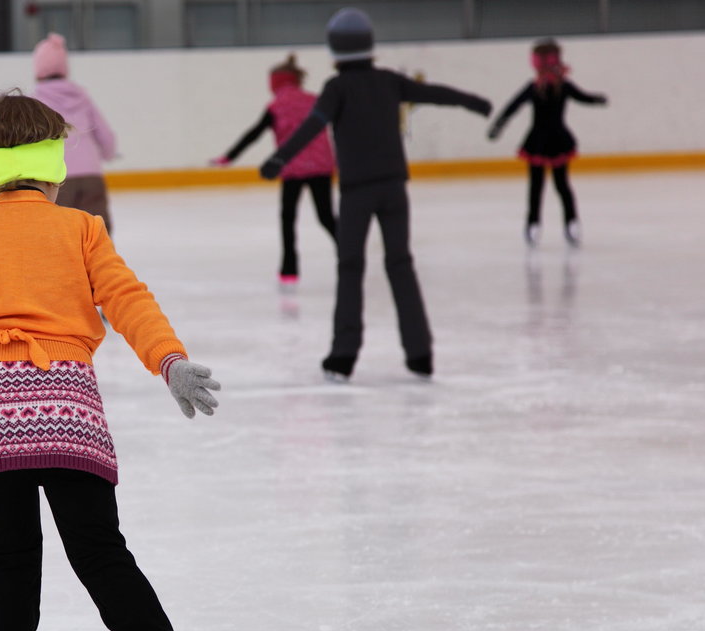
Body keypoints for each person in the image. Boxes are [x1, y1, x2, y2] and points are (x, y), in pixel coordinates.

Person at [0, 92, 219, 631]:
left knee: (8, 556)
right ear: (53, 164)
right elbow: (127, 299)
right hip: (69, 413)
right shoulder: (82, 229)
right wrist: (169, 360)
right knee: (99, 551)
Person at [259, 8, 491, 381]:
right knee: (401, 265)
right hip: (393, 188)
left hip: (356, 194)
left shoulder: (337, 89)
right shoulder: (389, 81)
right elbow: (433, 93)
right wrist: (473, 102)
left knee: (351, 268)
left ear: (335, 50)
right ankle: (420, 354)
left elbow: (312, 127)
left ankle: (344, 355)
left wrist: (280, 158)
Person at [213, 53, 337, 291]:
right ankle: (350, 257)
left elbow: (255, 133)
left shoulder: (276, 106)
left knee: (288, 219)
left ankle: (289, 269)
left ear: (277, 82)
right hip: (321, 165)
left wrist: (229, 156)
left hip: (291, 167)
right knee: (326, 217)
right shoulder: (314, 100)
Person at [488, 38, 608, 247]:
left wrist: (597, 99)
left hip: (558, 139)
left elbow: (582, 97)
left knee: (561, 184)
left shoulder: (564, 87)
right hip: (537, 141)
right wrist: (498, 125)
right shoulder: (534, 87)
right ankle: (533, 223)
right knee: (536, 186)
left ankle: (571, 221)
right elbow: (513, 106)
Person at [31, 33, 118, 235]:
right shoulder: (81, 96)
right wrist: (108, 153)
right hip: (91, 176)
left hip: (57, 179)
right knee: (98, 234)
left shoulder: (35, 100)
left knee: (63, 235)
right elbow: (105, 134)